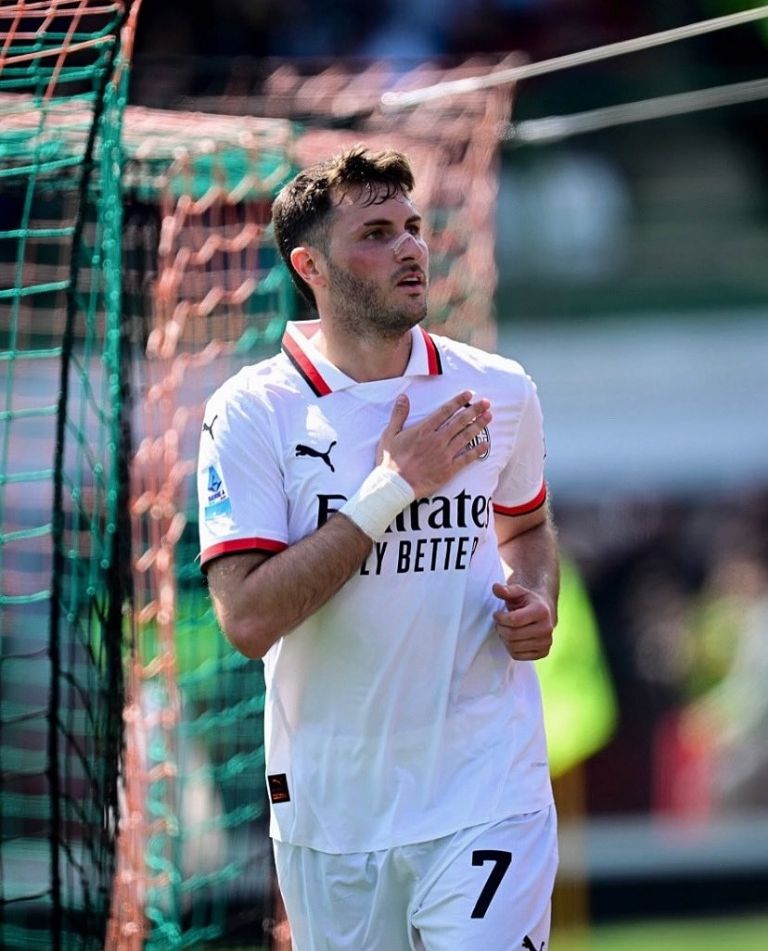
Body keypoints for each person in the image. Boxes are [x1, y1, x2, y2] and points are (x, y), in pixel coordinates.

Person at [197, 146, 560, 950]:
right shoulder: (250, 412)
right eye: (375, 233)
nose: (409, 248)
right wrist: (393, 488)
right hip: (332, 814)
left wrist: (538, 595)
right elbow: (248, 619)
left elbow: (527, 527)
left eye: (413, 227)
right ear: (311, 267)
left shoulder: (499, 390)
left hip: (486, 786)